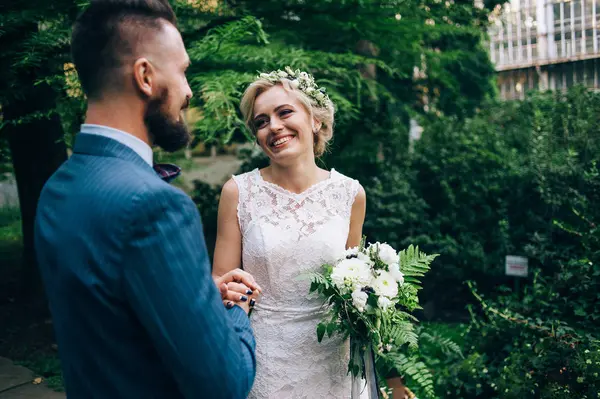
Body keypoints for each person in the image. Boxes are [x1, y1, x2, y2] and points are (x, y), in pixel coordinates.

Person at [34, 1, 258, 397]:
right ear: (145, 76)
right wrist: (234, 312)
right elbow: (224, 385)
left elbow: (111, 315)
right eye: (183, 71)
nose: (189, 92)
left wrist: (196, 295)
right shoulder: (156, 207)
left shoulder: (57, 189)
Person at [212, 67, 367, 398]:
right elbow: (221, 285)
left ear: (315, 120)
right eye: (261, 122)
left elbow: (355, 288)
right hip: (265, 365)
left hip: (333, 365)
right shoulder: (238, 193)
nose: (274, 127)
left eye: (284, 113)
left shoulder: (351, 195)